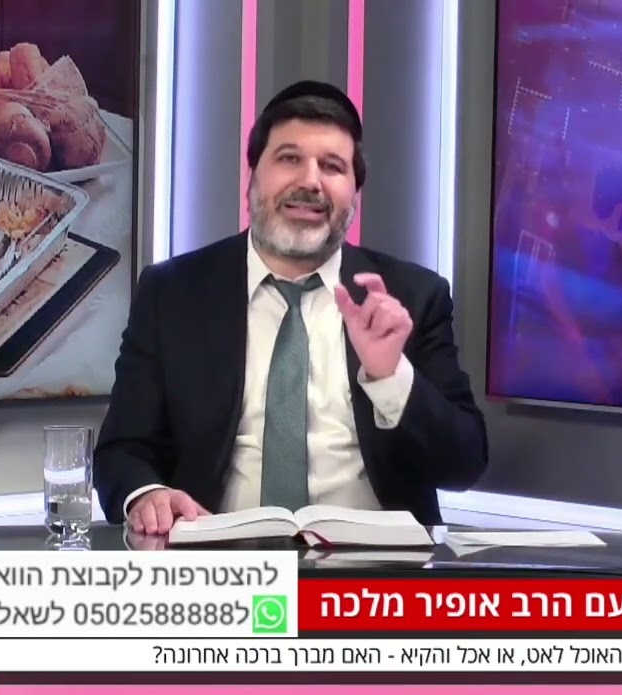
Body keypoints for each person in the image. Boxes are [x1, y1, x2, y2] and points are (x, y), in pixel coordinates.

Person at [93, 80, 488, 535]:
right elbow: (122, 450)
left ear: (355, 193)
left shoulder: (412, 296)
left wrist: (390, 376)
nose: (310, 182)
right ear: (252, 177)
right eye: (289, 159)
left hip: (374, 567)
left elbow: (464, 464)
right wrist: (147, 495)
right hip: (223, 560)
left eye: (332, 166)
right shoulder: (172, 292)